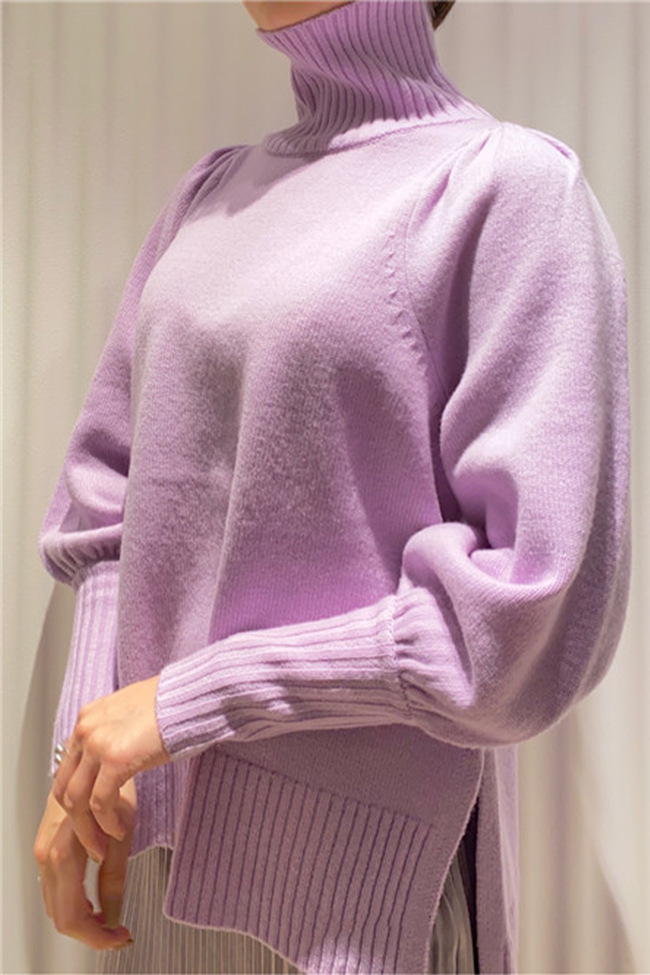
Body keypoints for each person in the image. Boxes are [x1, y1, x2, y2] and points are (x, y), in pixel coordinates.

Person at [33, 0, 632, 972]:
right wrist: (84, 765)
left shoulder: (505, 188)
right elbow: (109, 507)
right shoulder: (211, 194)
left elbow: (515, 629)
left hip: (365, 906)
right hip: (154, 871)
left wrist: (187, 701)